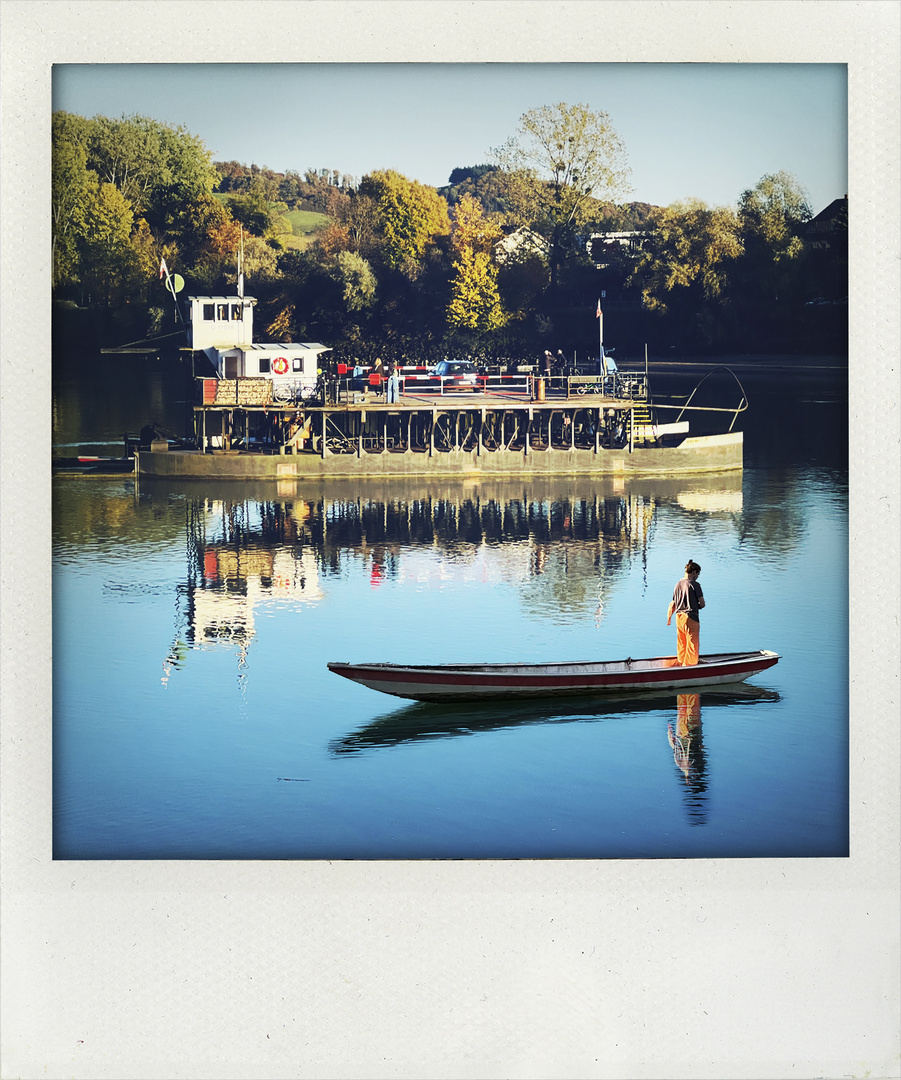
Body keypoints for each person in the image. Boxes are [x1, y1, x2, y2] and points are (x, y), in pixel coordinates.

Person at [667, 559, 705, 665]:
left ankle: (681, 662)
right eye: (698, 574)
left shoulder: (677, 584)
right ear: (693, 572)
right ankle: (690, 665)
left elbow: (672, 604)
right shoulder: (695, 585)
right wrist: (696, 606)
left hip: (678, 616)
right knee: (693, 644)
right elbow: (702, 603)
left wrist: (669, 617)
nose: (697, 576)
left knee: (682, 642)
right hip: (690, 617)